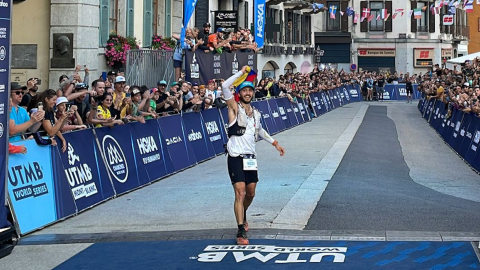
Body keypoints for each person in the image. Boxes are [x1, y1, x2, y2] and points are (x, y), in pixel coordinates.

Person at [222, 66, 285, 245]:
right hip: (235, 157)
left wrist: (275, 143)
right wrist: (241, 74)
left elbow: (260, 131)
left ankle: (242, 212)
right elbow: (225, 87)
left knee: (250, 194)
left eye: (250, 90)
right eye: (244, 90)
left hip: (250, 158)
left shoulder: (256, 113)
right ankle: (241, 230)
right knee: (240, 193)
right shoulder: (234, 108)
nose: (248, 93)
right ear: (240, 93)